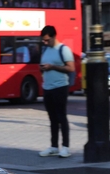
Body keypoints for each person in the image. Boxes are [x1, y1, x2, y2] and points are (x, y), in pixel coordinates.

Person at [38, 25, 74, 158]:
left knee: (61, 117)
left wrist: (52, 66)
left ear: (54, 37)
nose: (45, 42)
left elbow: (71, 68)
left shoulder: (64, 50)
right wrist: (42, 68)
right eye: (43, 40)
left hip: (60, 87)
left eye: (47, 40)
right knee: (52, 118)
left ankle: (66, 147)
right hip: (47, 87)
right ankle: (54, 146)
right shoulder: (46, 50)